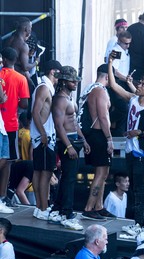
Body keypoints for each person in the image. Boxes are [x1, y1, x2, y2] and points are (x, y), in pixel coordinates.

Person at [106, 57, 144, 232]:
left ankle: (139, 225)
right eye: (140, 83)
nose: (139, 86)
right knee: (132, 189)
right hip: (130, 152)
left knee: (138, 189)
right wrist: (109, 64)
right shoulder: (132, 99)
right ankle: (135, 223)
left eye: (143, 85)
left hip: (141, 155)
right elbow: (114, 86)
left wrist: (140, 133)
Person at [49, 66, 88, 230]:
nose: (76, 83)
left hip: (73, 139)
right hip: (66, 142)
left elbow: (74, 123)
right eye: (72, 81)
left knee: (67, 177)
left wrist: (83, 139)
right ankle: (67, 213)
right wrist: (69, 146)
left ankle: (57, 209)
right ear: (64, 81)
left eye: (76, 81)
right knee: (70, 178)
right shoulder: (59, 99)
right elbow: (59, 126)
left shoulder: (68, 98)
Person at [78, 61, 115, 221]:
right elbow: (103, 116)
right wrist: (109, 139)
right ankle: (89, 207)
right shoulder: (100, 91)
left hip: (91, 134)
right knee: (101, 173)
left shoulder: (90, 88)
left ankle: (98, 206)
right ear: (107, 76)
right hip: (98, 134)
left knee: (103, 172)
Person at [31, 60, 62, 220]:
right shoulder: (44, 88)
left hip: (41, 137)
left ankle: (39, 207)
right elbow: (35, 112)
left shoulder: (44, 87)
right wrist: (43, 133)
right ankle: (42, 207)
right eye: (59, 72)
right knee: (45, 173)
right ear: (52, 71)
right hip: (43, 137)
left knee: (40, 172)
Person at [0, 47, 29, 212]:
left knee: (5, 160)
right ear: (16, 60)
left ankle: (2, 199)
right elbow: (24, 104)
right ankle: (2, 197)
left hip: (1, 123)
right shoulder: (20, 78)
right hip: (9, 124)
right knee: (7, 161)